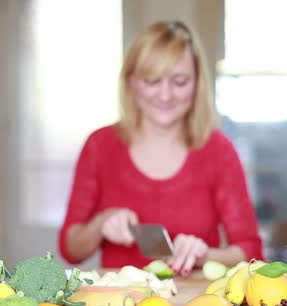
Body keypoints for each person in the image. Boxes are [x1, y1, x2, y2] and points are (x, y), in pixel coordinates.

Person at [58, 20, 263, 276]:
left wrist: (205, 255)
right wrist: (102, 222)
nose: (165, 96)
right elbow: (70, 250)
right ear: (131, 81)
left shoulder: (219, 151)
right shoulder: (100, 146)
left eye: (179, 81)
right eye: (152, 81)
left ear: (197, 82)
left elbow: (252, 252)